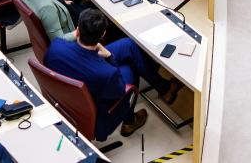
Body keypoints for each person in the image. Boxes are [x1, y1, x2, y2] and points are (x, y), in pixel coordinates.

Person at [45, 8, 176, 139]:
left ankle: (163, 87)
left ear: (77, 31)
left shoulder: (55, 46)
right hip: (96, 110)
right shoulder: (107, 74)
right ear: (102, 35)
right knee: (128, 69)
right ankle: (130, 122)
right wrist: (110, 58)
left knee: (127, 45)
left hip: (67, 95)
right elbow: (119, 93)